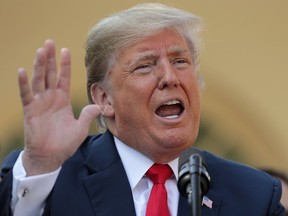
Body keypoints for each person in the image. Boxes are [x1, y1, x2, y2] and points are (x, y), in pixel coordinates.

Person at [0, 3, 285, 216]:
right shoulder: (51, 177)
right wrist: (40, 164)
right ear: (104, 99)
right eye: (145, 65)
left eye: (180, 61)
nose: (169, 77)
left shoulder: (255, 196)